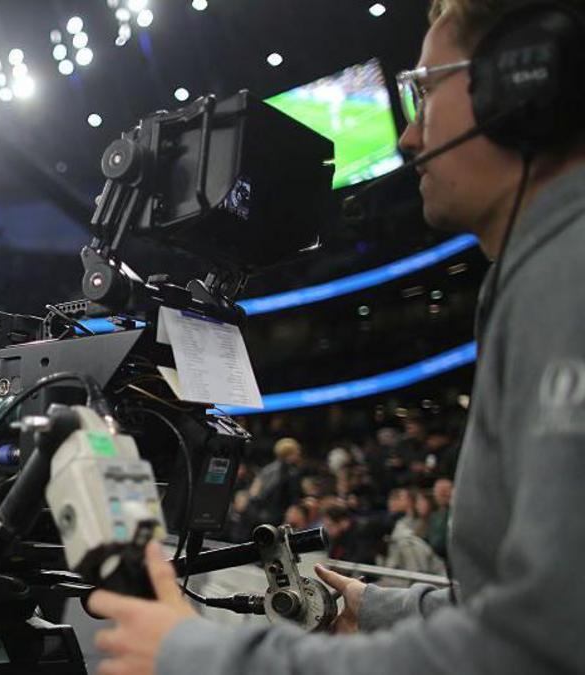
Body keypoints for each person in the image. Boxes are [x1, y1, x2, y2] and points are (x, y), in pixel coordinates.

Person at [88, 1, 585, 672]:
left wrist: (199, 655)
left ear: (524, 79)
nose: (409, 137)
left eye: (424, 91)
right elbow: (526, 602)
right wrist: (382, 610)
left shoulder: (569, 273)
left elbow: (541, 646)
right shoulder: (540, 269)